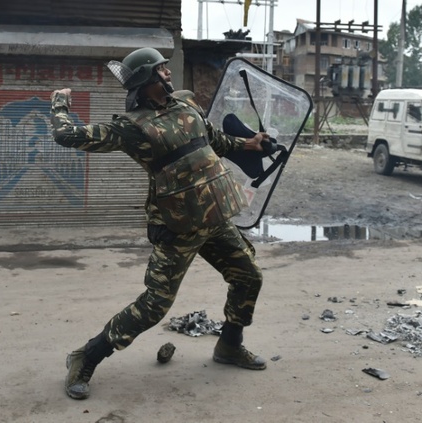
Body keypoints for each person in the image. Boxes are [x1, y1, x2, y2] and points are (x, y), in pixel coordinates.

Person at [50, 47, 270, 400]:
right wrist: (60, 104)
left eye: (167, 68)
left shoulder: (186, 106)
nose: (168, 74)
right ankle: (85, 357)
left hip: (213, 217)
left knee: (249, 276)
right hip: (177, 226)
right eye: (161, 70)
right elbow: (67, 136)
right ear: (145, 79)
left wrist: (250, 143)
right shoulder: (132, 128)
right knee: (154, 305)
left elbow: (213, 141)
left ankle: (229, 346)